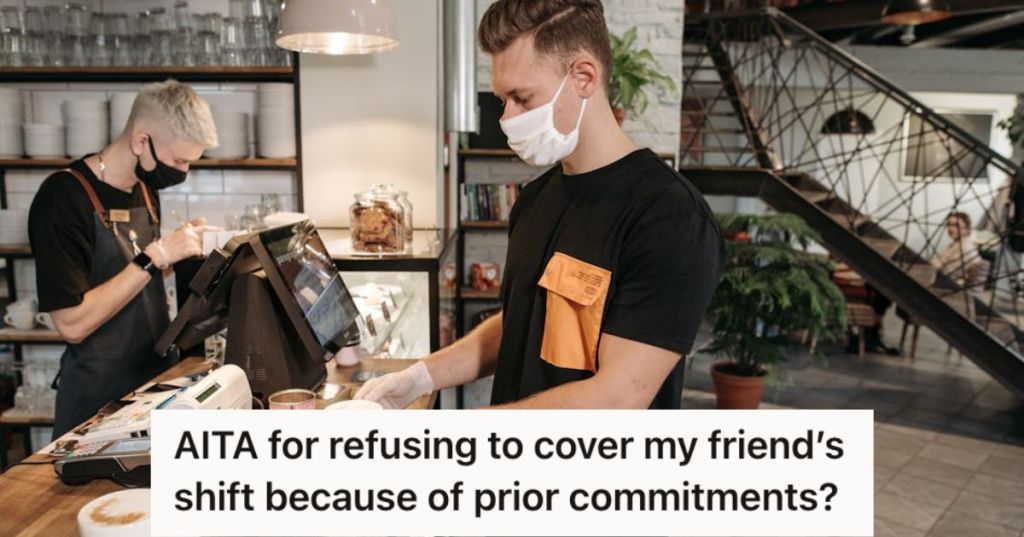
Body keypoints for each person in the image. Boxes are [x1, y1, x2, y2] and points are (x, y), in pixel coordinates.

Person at [356, 0, 725, 410]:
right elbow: (524, 322)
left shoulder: (670, 219)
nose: (507, 118)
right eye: (503, 101)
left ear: (583, 77)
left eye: (522, 98)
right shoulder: (534, 200)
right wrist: (420, 377)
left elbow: (618, 398)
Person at [29, 80, 219, 437]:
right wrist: (156, 256)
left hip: (152, 384)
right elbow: (72, 324)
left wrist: (184, 250)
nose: (183, 171)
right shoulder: (63, 199)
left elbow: (131, 283)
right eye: (178, 160)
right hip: (96, 403)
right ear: (140, 140)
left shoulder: (145, 190)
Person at [933, 211, 988, 288]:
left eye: (956, 225)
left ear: (966, 228)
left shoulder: (964, 248)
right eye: (949, 225)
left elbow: (945, 273)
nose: (950, 229)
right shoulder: (958, 244)